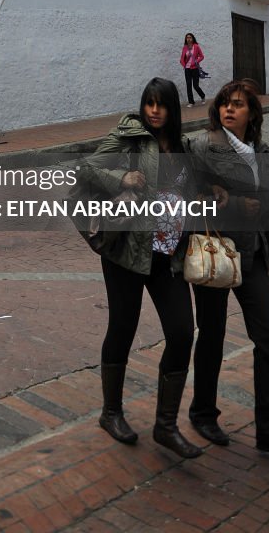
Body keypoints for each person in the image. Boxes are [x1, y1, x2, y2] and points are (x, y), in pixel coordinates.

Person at [187, 80, 269, 464]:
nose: (229, 109)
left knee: (267, 338)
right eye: (224, 103)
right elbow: (192, 200)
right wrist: (238, 205)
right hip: (217, 251)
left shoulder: (262, 150)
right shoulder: (203, 146)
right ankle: (203, 413)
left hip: (253, 255)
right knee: (212, 334)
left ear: (252, 113)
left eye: (238, 105)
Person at [80, 77, 202, 459]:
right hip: (127, 253)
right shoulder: (130, 135)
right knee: (122, 328)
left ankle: (165, 426)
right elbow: (86, 168)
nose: (154, 110)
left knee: (182, 332)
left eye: (161, 104)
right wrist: (122, 177)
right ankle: (110, 412)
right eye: (149, 102)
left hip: (168, 257)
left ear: (173, 108)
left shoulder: (184, 147)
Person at [180, 32, 206, 108]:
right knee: (188, 85)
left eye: (190, 37)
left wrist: (196, 62)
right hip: (187, 69)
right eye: (187, 37)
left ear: (193, 38)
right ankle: (191, 102)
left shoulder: (196, 46)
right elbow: (182, 58)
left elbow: (202, 56)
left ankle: (203, 96)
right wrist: (184, 65)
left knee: (195, 85)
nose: (188, 39)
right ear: (186, 39)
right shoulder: (185, 47)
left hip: (195, 69)